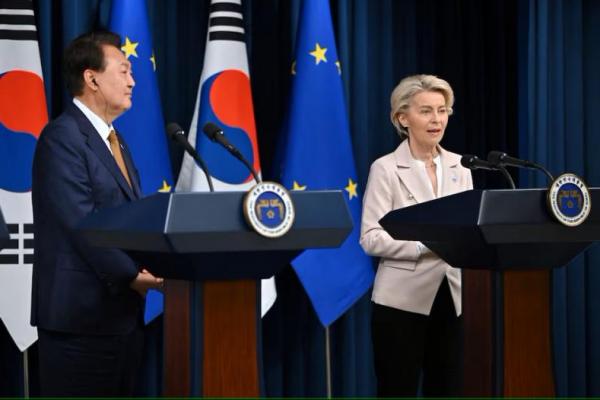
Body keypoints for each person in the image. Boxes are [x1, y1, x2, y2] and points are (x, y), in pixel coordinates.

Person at [31, 31, 163, 396]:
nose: (133, 81)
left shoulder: (117, 141)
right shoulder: (62, 137)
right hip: (80, 322)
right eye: (123, 71)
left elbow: (129, 221)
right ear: (91, 78)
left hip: (121, 318)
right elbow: (81, 222)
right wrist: (134, 275)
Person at [360, 74, 473, 397]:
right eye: (426, 111)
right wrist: (425, 246)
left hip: (453, 298)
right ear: (402, 118)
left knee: (448, 388)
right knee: (398, 389)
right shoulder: (385, 168)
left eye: (442, 110)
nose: (436, 119)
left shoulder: (461, 167)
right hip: (401, 301)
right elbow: (370, 237)